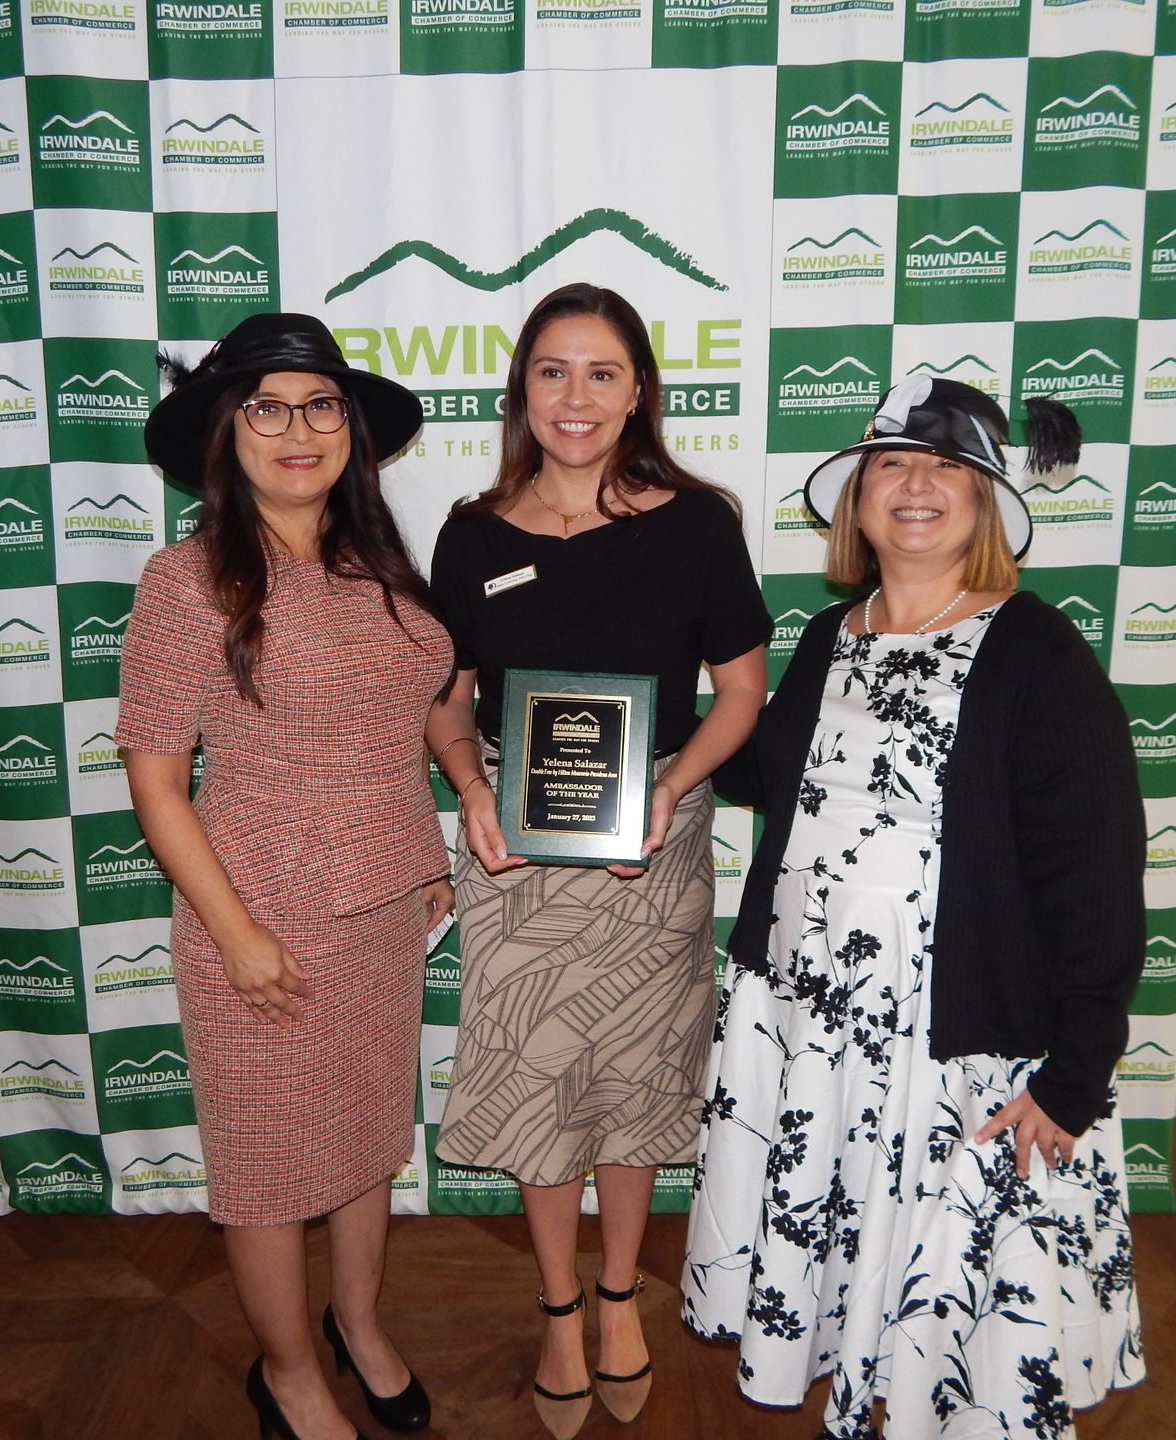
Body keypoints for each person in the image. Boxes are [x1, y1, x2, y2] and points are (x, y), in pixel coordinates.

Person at [682, 375, 1147, 1438]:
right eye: (894, 462)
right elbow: (764, 776)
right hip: (815, 1027)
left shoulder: (1037, 655)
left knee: (960, 1330)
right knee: (854, 1270)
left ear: (985, 505)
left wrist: (1074, 1078)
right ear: (857, 497)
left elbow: (1097, 882)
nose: (917, 485)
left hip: (949, 1045)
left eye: (949, 468)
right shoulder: (827, 638)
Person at [424, 282, 771, 1438]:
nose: (578, 398)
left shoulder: (698, 524)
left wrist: (668, 792)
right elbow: (446, 698)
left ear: (639, 393)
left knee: (632, 1085)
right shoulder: (473, 533)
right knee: (536, 1090)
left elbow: (743, 695)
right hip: (516, 860)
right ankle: (559, 1309)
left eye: (604, 373)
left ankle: (621, 1297)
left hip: (653, 853)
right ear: (522, 389)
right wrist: (473, 787)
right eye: (554, 372)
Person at [117, 313, 452, 1440]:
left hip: (385, 913)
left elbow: (396, 727)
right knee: (266, 1169)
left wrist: (423, 859)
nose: (297, 429)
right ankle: (290, 1370)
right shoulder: (185, 581)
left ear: (351, 430)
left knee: (365, 1143)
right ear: (227, 431)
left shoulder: (381, 565)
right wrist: (238, 937)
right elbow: (158, 785)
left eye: (320, 406)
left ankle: (359, 1325)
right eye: (267, 407)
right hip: (256, 928)